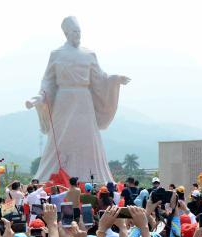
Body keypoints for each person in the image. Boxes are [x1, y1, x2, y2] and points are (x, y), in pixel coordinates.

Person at [26, 16, 130, 183]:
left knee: (86, 137)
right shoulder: (56, 54)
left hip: (84, 101)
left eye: (79, 32)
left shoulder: (89, 54)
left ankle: (93, 176)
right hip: (63, 100)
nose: (77, 35)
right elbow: (48, 81)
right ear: (66, 33)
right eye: (74, 32)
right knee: (60, 138)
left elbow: (100, 78)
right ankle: (53, 175)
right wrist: (39, 97)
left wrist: (115, 79)